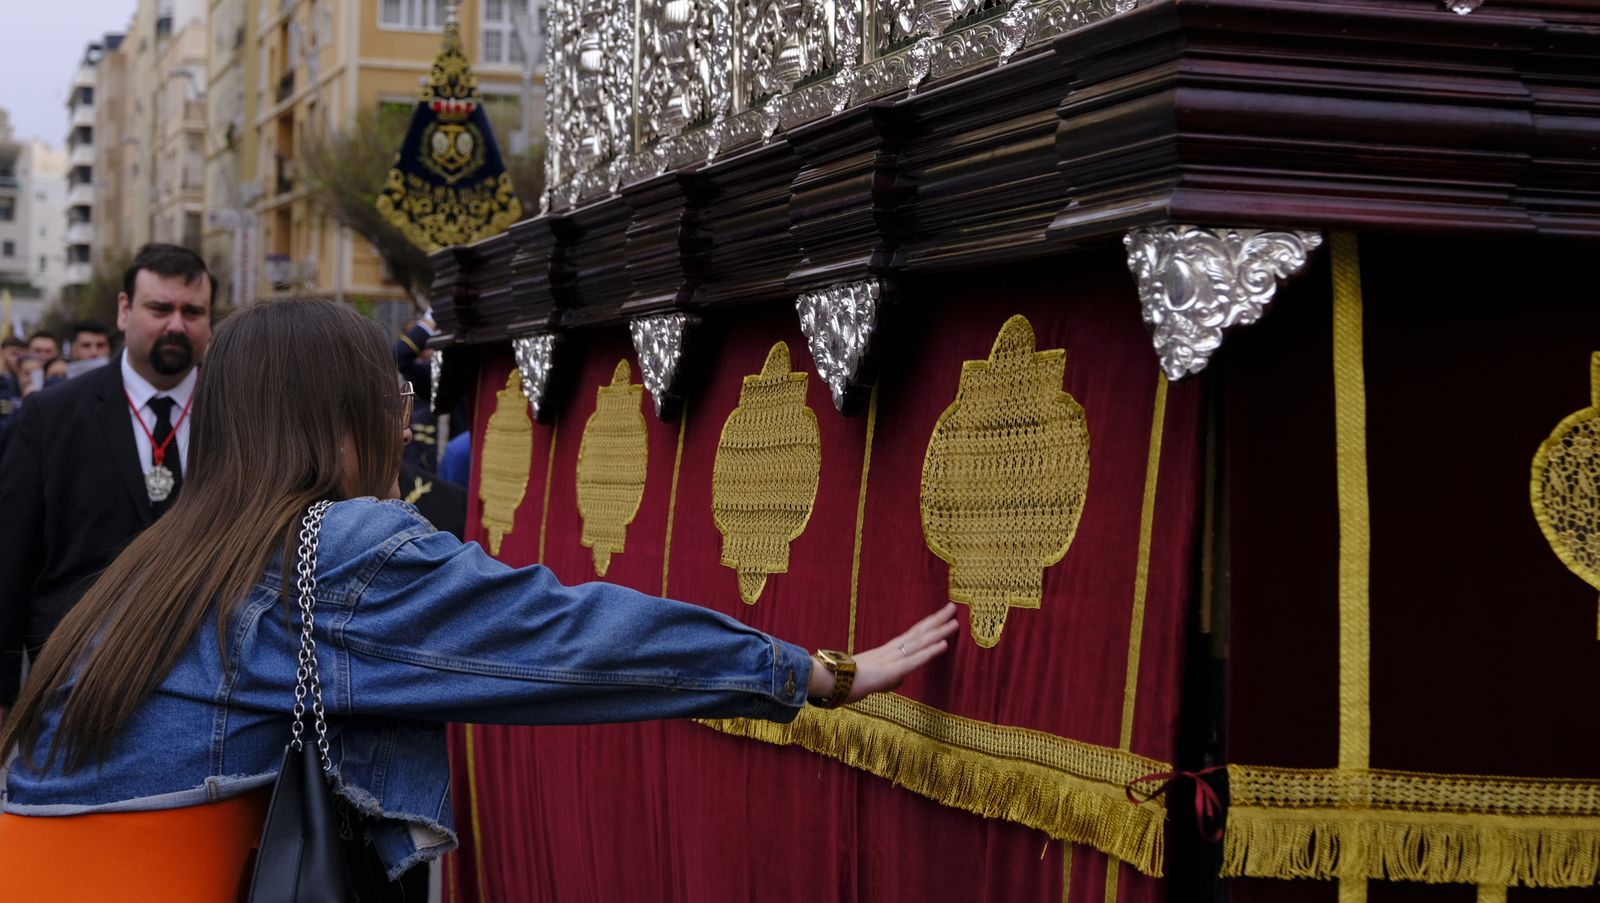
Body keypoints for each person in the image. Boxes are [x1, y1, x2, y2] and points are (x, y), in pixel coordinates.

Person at [0, 297, 959, 898]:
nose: (406, 418)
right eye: (396, 398)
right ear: (352, 420)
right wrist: (811, 672)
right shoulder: (335, 549)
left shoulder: (169, 550)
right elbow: (568, 637)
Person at [0, 243, 214, 715]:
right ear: (124, 310)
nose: (176, 324)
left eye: (192, 311)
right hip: (71, 692)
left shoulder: (238, 417)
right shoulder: (49, 418)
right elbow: (9, 559)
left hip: (206, 697)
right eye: (160, 308)